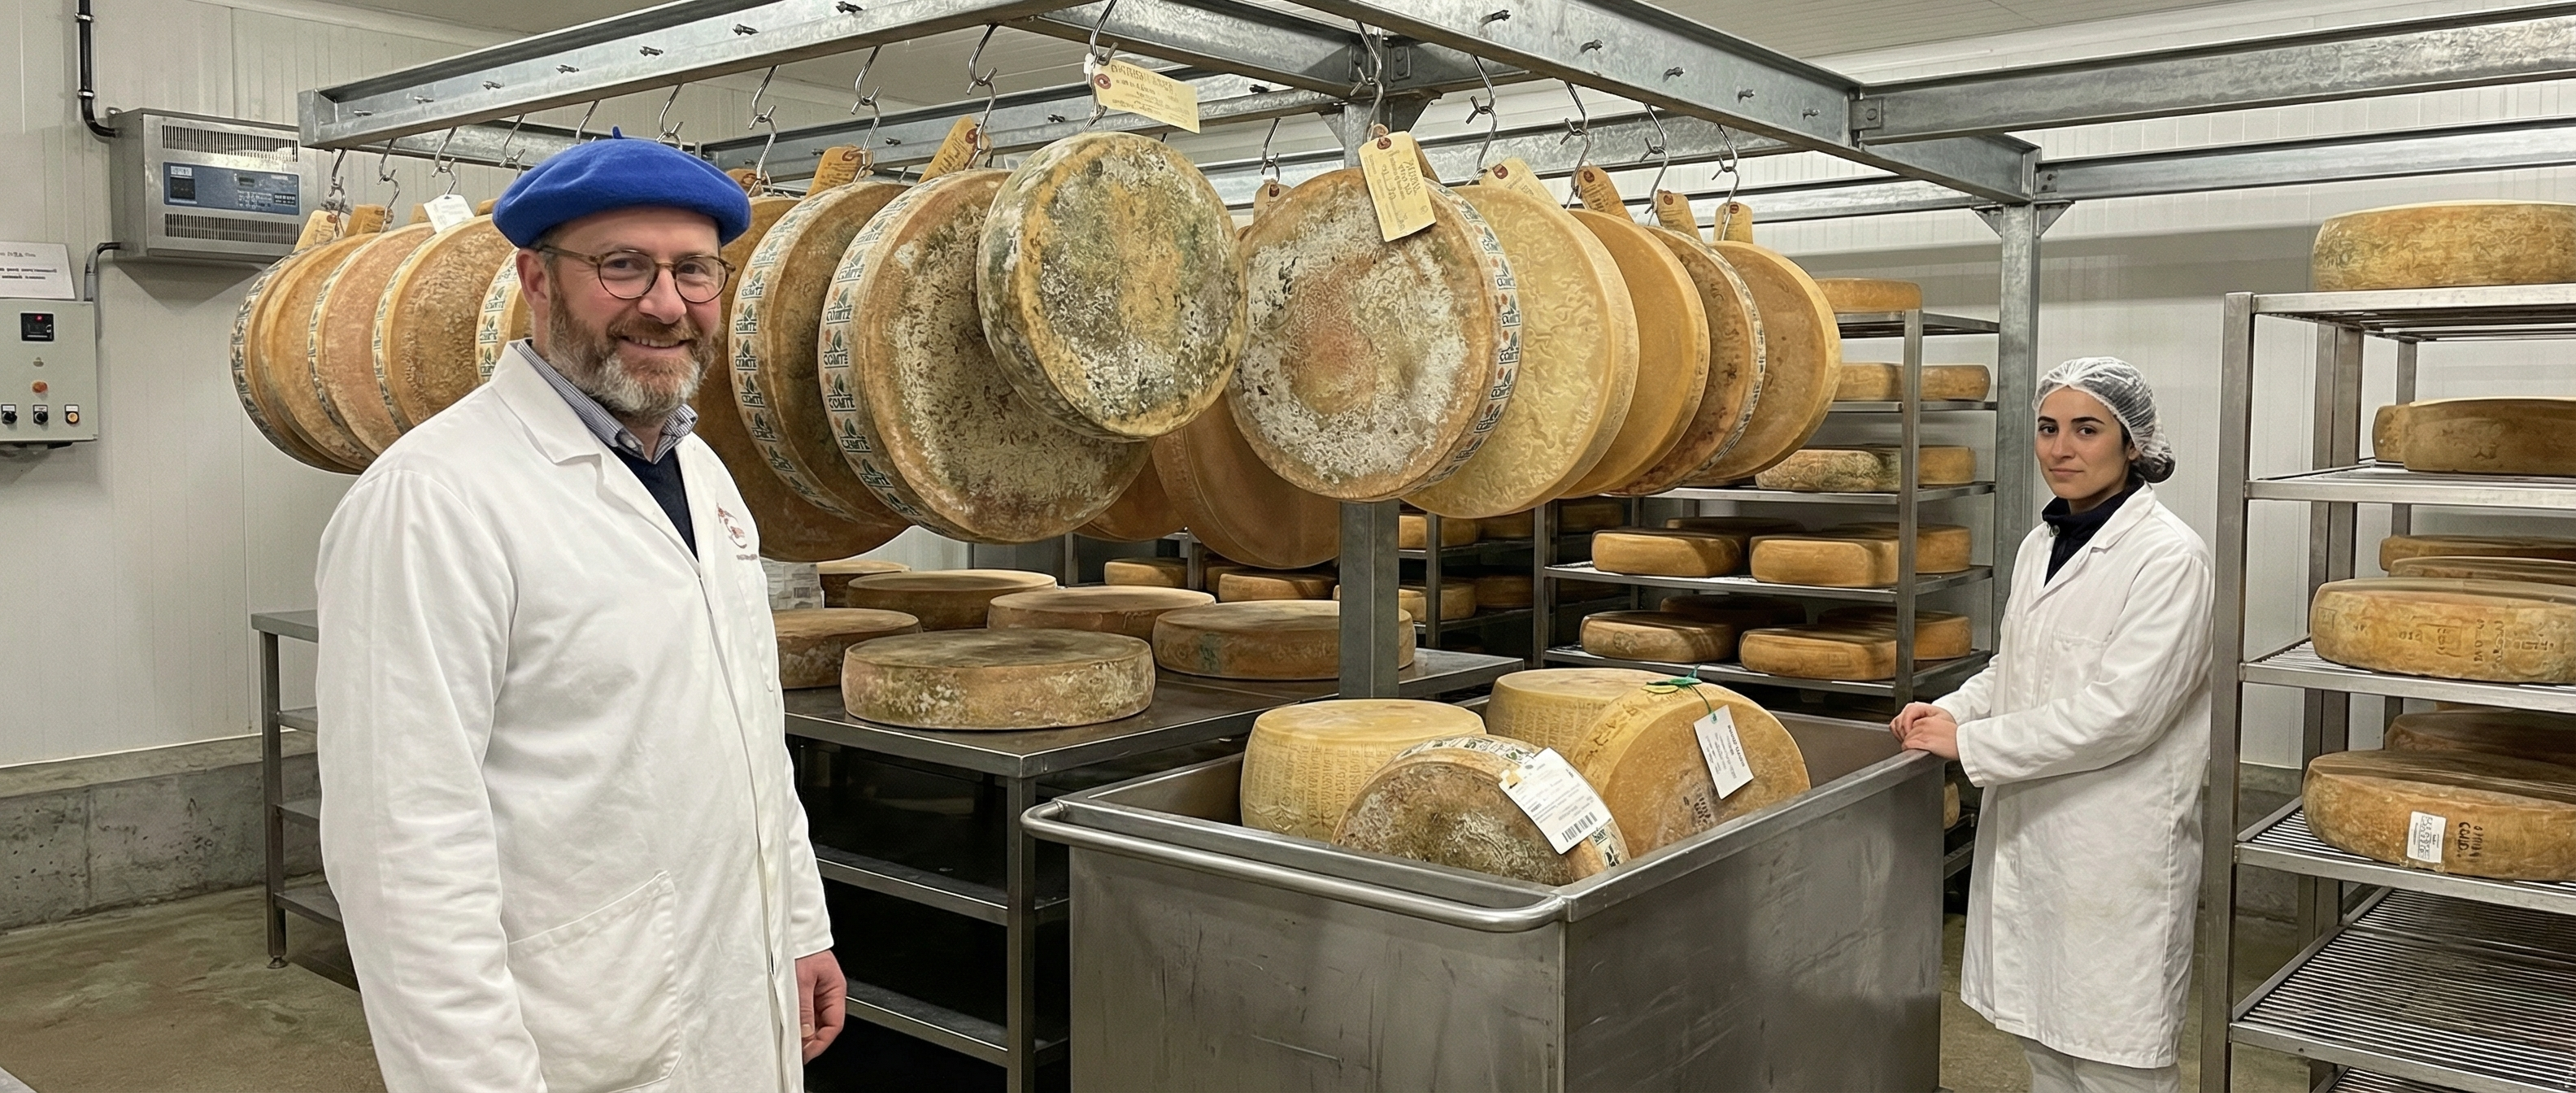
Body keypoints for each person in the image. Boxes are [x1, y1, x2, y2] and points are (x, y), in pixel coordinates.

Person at [313, 133, 842, 1092]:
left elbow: (751, 729)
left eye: (693, 271)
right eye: (623, 266)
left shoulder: (704, 472)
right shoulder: (433, 499)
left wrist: (798, 927)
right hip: (575, 1033)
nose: (666, 303)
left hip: (736, 986)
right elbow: (404, 852)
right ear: (538, 279)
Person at [1891, 357, 2213, 1093]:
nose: (2061, 449)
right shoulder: (2044, 543)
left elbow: (2124, 714)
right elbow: (2019, 668)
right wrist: (1955, 711)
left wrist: (1969, 744)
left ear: (2133, 444)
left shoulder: (2168, 557)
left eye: (2086, 430)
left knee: (2114, 1060)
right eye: (2047, 428)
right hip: (2040, 830)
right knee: (2045, 1044)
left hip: (2113, 843)